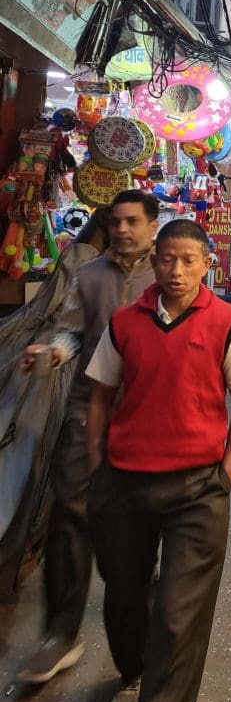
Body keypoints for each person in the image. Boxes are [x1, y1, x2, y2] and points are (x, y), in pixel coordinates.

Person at [86, 219, 231, 702]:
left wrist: (224, 476)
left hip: (198, 491)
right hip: (124, 483)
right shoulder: (125, 323)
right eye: (167, 259)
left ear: (208, 264)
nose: (177, 270)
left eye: (190, 260)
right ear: (153, 262)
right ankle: (134, 667)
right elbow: (101, 397)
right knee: (124, 597)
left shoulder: (228, 321)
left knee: (179, 614)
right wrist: (99, 463)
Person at [17, 192, 159, 686]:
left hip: (146, 420)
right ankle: (60, 633)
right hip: (86, 413)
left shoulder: (168, 276)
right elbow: (72, 332)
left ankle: (139, 650)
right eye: (115, 222)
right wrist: (52, 352)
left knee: (138, 532)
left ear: (152, 225)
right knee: (68, 520)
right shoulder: (90, 275)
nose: (122, 230)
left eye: (132, 222)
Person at [0, 209, 110, 583]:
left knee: (27, 448)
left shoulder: (80, 257)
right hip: (67, 364)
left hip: (53, 359)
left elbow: (48, 309)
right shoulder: (99, 265)